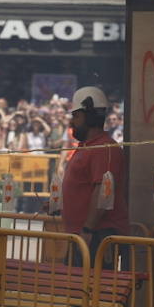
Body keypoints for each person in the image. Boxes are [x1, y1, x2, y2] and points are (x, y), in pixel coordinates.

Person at [58, 85, 127, 260]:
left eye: (76, 116)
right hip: (82, 236)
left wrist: (88, 229)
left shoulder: (104, 148)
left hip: (95, 236)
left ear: (88, 116)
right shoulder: (88, 147)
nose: (72, 122)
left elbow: (103, 191)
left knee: (89, 286)